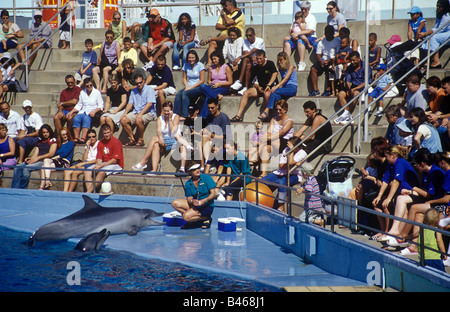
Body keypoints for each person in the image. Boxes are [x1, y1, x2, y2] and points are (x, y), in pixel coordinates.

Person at [384, 148, 445, 241]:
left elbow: (429, 195)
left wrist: (413, 188)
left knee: (414, 208)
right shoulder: (426, 172)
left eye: (416, 164)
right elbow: (425, 192)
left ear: (422, 164)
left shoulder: (434, 173)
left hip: (437, 203)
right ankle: (400, 234)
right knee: (402, 199)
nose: (416, 167)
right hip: (429, 200)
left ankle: (403, 236)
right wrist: (411, 192)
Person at [371, 145, 420, 242]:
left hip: (411, 192)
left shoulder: (400, 163)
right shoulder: (390, 164)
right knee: (377, 203)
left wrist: (389, 198)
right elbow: (385, 180)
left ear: (393, 155)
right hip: (401, 193)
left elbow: (396, 182)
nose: (386, 158)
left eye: (387, 156)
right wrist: (379, 196)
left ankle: (392, 232)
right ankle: (385, 231)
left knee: (388, 204)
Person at [131, 101, 193, 173]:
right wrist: (160, 137)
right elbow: (158, 130)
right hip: (165, 140)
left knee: (154, 138)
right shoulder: (160, 118)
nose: (166, 113)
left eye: (168, 111)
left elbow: (173, 131)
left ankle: (143, 161)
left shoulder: (176, 117)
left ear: (172, 110)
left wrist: (169, 119)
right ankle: (154, 170)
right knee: (155, 145)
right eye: (165, 111)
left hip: (175, 139)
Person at [230, 49, 278, 122]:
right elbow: (254, 82)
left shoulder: (270, 64)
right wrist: (258, 87)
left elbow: (275, 74)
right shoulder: (256, 67)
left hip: (270, 87)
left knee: (267, 95)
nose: (259, 60)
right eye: (257, 59)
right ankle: (238, 116)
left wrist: (268, 85)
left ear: (264, 57)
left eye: (260, 59)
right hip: (260, 88)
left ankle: (264, 114)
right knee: (246, 93)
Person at [171, 160, 217, 229]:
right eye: (194, 169)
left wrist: (205, 200)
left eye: (198, 168)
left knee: (185, 217)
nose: (197, 170)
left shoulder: (206, 178)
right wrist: (193, 201)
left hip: (207, 205)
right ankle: (197, 218)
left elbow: (213, 193)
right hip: (196, 205)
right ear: (190, 172)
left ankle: (206, 217)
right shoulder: (188, 183)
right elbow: (189, 198)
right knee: (175, 203)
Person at [262, 136, 304, 212]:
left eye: (290, 145)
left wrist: (291, 151)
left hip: (295, 175)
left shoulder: (302, 153)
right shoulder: (286, 150)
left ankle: (281, 206)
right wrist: (289, 162)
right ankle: (265, 201)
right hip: (281, 172)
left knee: (282, 183)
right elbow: (281, 165)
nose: (287, 146)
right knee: (262, 181)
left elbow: (290, 163)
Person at [201, 0, 245, 68]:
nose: (223, 8)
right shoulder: (224, 14)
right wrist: (227, 27)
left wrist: (224, 15)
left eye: (225, 5)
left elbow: (228, 21)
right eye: (223, 6)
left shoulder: (238, 13)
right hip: (222, 39)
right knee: (212, 43)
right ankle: (209, 63)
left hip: (235, 37)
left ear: (231, 5)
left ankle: (211, 38)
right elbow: (217, 26)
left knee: (228, 36)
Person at [11, 124, 57, 189]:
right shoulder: (39, 142)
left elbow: (51, 154)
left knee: (26, 168)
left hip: (44, 161)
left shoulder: (53, 140)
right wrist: (30, 158)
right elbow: (35, 154)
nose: (45, 134)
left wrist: (37, 158)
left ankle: (23, 188)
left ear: (49, 132)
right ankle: (14, 188)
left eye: (47, 132)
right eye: (44, 132)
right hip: (37, 160)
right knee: (18, 167)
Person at [258, 99, 294, 177]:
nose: (278, 111)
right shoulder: (274, 119)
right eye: (277, 109)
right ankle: (263, 173)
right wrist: (262, 138)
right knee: (265, 149)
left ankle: (256, 157)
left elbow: (281, 133)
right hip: (274, 140)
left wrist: (267, 139)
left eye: (280, 110)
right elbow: (269, 131)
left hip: (285, 141)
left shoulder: (289, 121)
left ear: (285, 109)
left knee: (273, 140)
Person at [334, 51, 372, 124]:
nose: (352, 62)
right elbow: (347, 81)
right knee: (341, 94)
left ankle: (346, 113)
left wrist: (354, 89)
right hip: (352, 86)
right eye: (351, 60)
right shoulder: (350, 67)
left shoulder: (366, 67)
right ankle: (347, 115)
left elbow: (366, 82)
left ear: (358, 58)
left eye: (354, 60)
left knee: (355, 94)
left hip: (362, 87)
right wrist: (349, 89)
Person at [120, 73, 157, 146]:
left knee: (138, 120)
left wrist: (140, 114)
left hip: (148, 112)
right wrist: (125, 113)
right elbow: (130, 103)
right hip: (136, 111)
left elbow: (149, 104)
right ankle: (132, 139)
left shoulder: (149, 89)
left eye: (140, 82)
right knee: (123, 120)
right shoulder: (134, 91)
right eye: (137, 83)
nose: (139, 84)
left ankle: (141, 139)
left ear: (143, 81)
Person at [85, 123, 123, 193]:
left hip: (116, 165)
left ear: (111, 132)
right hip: (104, 163)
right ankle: (92, 192)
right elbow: (99, 158)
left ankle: (88, 193)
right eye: (105, 133)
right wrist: (97, 166)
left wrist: (101, 166)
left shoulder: (116, 142)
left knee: (101, 172)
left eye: (108, 132)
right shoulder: (101, 142)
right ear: (102, 133)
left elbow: (114, 160)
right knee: (87, 171)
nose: (107, 134)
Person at [261, 51, 297, 119]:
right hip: (284, 88)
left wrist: (276, 87)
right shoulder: (281, 68)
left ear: (285, 59)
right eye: (278, 60)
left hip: (292, 88)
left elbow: (286, 79)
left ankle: (267, 110)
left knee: (274, 91)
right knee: (276, 96)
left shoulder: (291, 66)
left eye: (281, 60)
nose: (279, 62)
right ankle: (276, 115)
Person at [67, 78, 104, 144]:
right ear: (85, 86)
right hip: (83, 110)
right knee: (76, 118)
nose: (89, 87)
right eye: (87, 86)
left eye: (91, 85)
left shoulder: (97, 92)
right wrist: (72, 111)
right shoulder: (82, 92)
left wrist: (94, 111)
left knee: (86, 118)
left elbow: (101, 106)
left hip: (92, 111)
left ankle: (83, 138)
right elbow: (79, 104)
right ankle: (76, 138)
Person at [229, 27, 265, 93]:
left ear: (254, 35)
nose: (248, 37)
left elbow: (253, 51)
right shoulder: (245, 41)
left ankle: (242, 84)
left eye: (250, 35)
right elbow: (246, 52)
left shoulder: (260, 40)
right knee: (246, 60)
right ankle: (242, 84)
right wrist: (252, 57)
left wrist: (239, 57)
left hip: (260, 61)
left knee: (246, 61)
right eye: (247, 35)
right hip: (251, 60)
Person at [198, 51, 233, 118]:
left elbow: (230, 82)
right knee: (202, 85)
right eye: (212, 59)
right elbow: (208, 80)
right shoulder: (211, 67)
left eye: (215, 59)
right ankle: (217, 95)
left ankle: (200, 122)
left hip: (223, 87)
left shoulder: (226, 67)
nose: (214, 61)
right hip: (213, 87)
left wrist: (219, 84)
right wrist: (210, 82)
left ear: (220, 58)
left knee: (208, 98)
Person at [308, 25, 340, 97]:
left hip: (333, 61)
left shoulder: (337, 41)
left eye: (329, 32)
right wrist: (321, 61)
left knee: (330, 69)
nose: (328, 34)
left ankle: (328, 90)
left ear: (332, 33)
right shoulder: (321, 42)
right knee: (313, 69)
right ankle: (315, 90)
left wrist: (330, 60)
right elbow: (318, 54)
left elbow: (338, 54)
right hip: (323, 60)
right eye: (326, 32)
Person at [173, 50, 205, 119]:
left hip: (198, 87)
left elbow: (202, 80)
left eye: (192, 58)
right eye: (189, 58)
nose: (191, 59)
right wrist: (187, 86)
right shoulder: (186, 65)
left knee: (185, 93)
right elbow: (184, 78)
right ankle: (175, 115)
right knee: (179, 94)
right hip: (189, 86)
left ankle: (185, 115)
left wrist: (190, 88)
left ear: (196, 57)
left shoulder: (200, 65)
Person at [418, 0, 450, 69]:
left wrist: (425, 33)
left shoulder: (446, 17)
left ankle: (436, 61)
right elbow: (435, 27)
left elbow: (438, 30)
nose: (438, 8)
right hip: (443, 33)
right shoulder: (439, 15)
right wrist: (426, 35)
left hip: (448, 35)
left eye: (440, 7)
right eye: (437, 6)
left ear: (445, 7)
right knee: (428, 38)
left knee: (434, 37)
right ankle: (427, 61)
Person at [201, 98, 231, 170]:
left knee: (205, 137)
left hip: (223, 141)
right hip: (213, 140)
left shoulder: (223, 118)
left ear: (217, 106)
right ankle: (207, 162)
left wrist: (209, 133)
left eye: (212, 108)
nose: (210, 110)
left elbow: (223, 137)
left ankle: (208, 162)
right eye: (209, 108)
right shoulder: (209, 117)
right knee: (201, 139)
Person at [53, 74, 82, 139]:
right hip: (65, 110)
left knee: (70, 118)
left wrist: (63, 103)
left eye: (72, 82)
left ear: (75, 81)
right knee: (56, 117)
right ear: (66, 83)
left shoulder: (78, 90)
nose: (70, 84)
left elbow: (75, 101)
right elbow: (60, 105)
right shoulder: (64, 92)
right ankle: (60, 135)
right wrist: (60, 111)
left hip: (74, 110)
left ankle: (68, 134)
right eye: (68, 83)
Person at [92, 30, 121, 94]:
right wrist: (98, 64)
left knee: (105, 69)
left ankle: (104, 87)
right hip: (105, 63)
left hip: (113, 63)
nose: (109, 38)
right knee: (94, 69)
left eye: (111, 37)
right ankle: (98, 87)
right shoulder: (103, 44)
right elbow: (100, 56)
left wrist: (119, 66)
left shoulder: (116, 44)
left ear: (113, 37)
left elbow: (118, 55)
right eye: (107, 37)